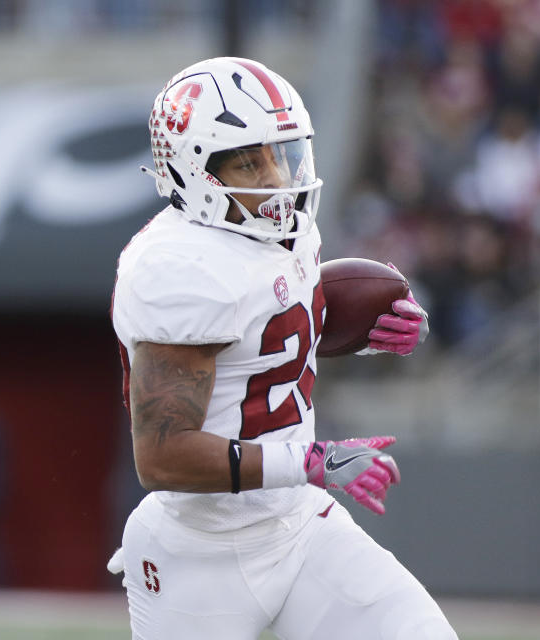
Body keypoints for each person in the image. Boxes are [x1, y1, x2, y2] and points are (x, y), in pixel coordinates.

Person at [108, 57, 457, 639]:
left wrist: (371, 333)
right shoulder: (177, 267)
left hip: (295, 526)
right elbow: (163, 455)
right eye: (250, 159)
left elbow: (267, 348)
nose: (275, 178)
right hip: (199, 552)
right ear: (194, 170)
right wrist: (314, 461)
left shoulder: (283, 227)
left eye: (282, 153)